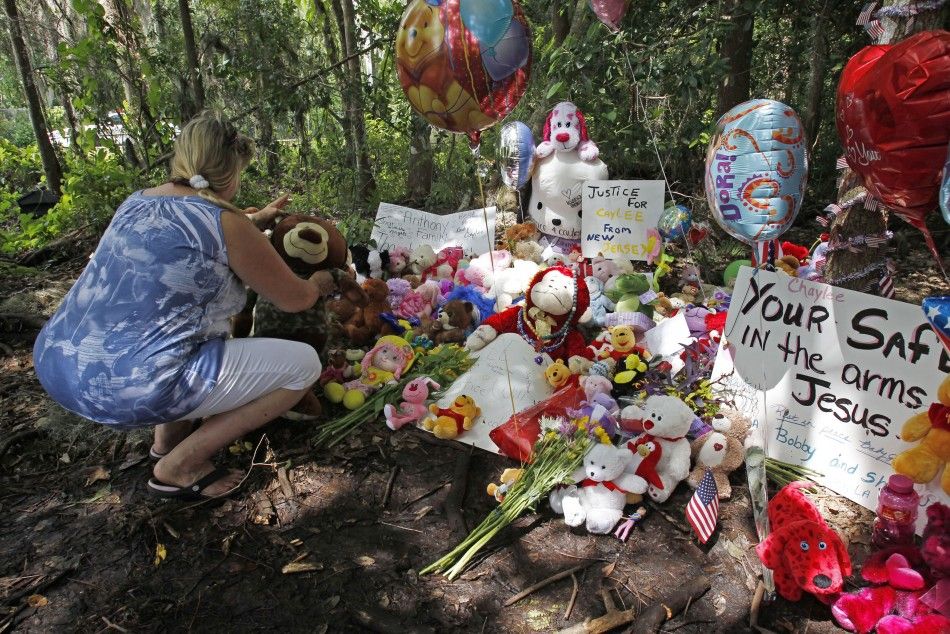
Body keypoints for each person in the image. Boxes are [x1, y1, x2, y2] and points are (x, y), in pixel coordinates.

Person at [32, 112, 337, 499]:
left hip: (58, 364)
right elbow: (293, 299)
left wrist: (254, 220)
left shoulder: (137, 201)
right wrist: (317, 284)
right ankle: (179, 466)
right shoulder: (226, 223)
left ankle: (164, 445)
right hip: (129, 387)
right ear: (232, 172)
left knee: (183, 335)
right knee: (303, 365)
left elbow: (188, 230)